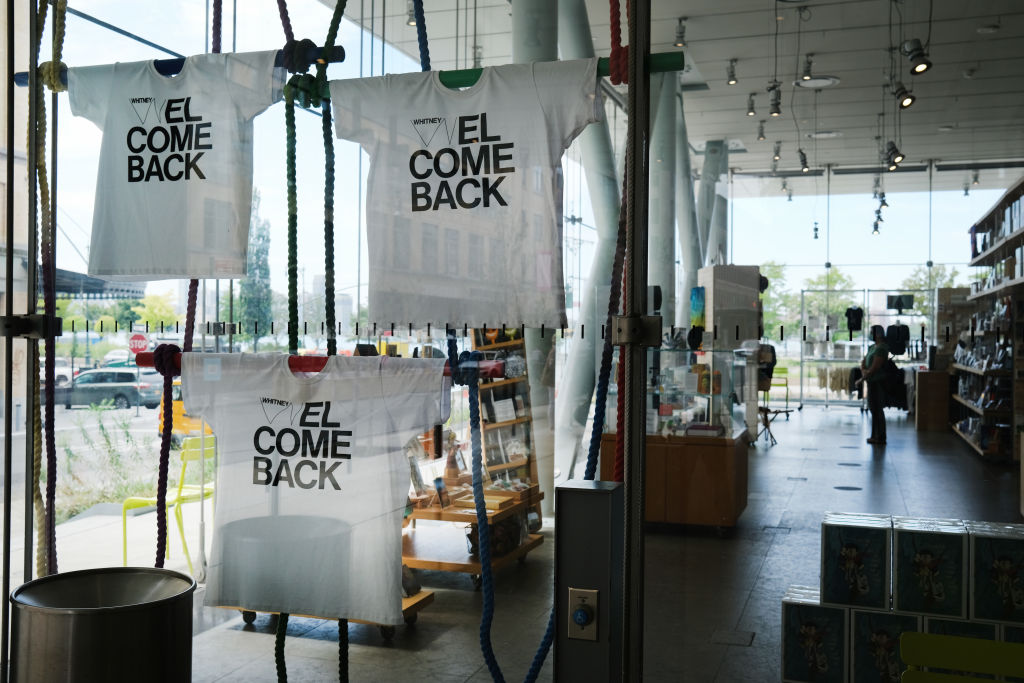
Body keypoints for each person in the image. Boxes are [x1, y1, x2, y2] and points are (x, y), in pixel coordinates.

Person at [856, 325, 889, 445]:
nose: (870, 334)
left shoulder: (882, 348)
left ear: (878, 334)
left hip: (878, 382)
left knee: (877, 410)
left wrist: (861, 378)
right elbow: (864, 362)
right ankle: (874, 435)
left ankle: (880, 436)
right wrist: (864, 371)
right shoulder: (872, 347)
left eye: (872, 332)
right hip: (871, 381)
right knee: (873, 409)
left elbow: (875, 367)